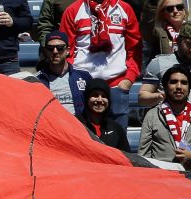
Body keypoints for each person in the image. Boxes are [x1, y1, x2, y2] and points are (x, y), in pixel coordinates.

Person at [60, 0, 140, 129]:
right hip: (83, 87)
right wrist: (74, 79)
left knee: (117, 141)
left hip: (116, 85)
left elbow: (135, 49)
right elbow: (66, 50)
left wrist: (128, 79)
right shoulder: (73, 10)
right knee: (84, 139)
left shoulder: (124, 9)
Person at [139, 21, 191, 139]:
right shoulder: (159, 63)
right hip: (165, 132)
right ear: (178, 40)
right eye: (188, 44)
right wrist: (161, 96)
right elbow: (142, 98)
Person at [137, 65, 191, 170]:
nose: (179, 86)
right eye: (173, 82)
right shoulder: (152, 115)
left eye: (184, 82)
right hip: (163, 178)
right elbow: (143, 155)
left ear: (190, 88)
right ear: (165, 87)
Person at [34, 31, 92, 114]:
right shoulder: (37, 80)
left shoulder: (83, 76)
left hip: (78, 124)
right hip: (51, 124)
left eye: (60, 47)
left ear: (68, 50)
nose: (55, 51)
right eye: (50, 48)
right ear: (46, 51)